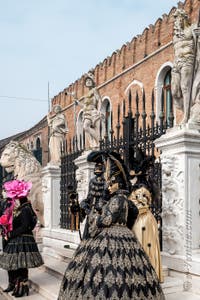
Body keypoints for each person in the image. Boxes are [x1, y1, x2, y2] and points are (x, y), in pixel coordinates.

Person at [58, 151, 165, 300]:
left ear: (118, 183)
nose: (108, 186)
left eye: (111, 183)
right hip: (125, 238)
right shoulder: (123, 201)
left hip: (111, 238)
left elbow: (104, 221)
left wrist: (90, 212)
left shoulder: (118, 200)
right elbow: (131, 219)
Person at [0, 179, 44, 297]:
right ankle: (17, 286)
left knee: (20, 264)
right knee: (17, 264)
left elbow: (25, 226)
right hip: (17, 239)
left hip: (21, 239)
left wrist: (10, 234)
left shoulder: (25, 209)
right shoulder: (24, 208)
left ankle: (22, 288)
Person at [128, 148, 163, 282]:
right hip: (141, 220)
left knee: (143, 245)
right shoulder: (138, 186)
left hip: (142, 221)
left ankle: (146, 277)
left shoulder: (142, 187)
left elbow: (141, 207)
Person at [171, 8, 195, 124]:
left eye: (178, 19)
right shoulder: (175, 36)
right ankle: (186, 110)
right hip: (177, 63)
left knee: (185, 88)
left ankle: (186, 116)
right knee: (175, 91)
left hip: (188, 60)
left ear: (183, 19)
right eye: (175, 20)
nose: (176, 22)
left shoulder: (192, 30)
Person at [75, 71, 104, 148]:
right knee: (86, 128)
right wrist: (78, 103)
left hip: (92, 111)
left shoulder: (94, 90)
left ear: (92, 81)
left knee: (86, 126)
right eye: (87, 81)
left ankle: (98, 141)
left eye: (89, 80)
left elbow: (99, 100)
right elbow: (85, 106)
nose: (88, 82)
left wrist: (98, 110)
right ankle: (93, 144)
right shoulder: (87, 94)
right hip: (86, 112)